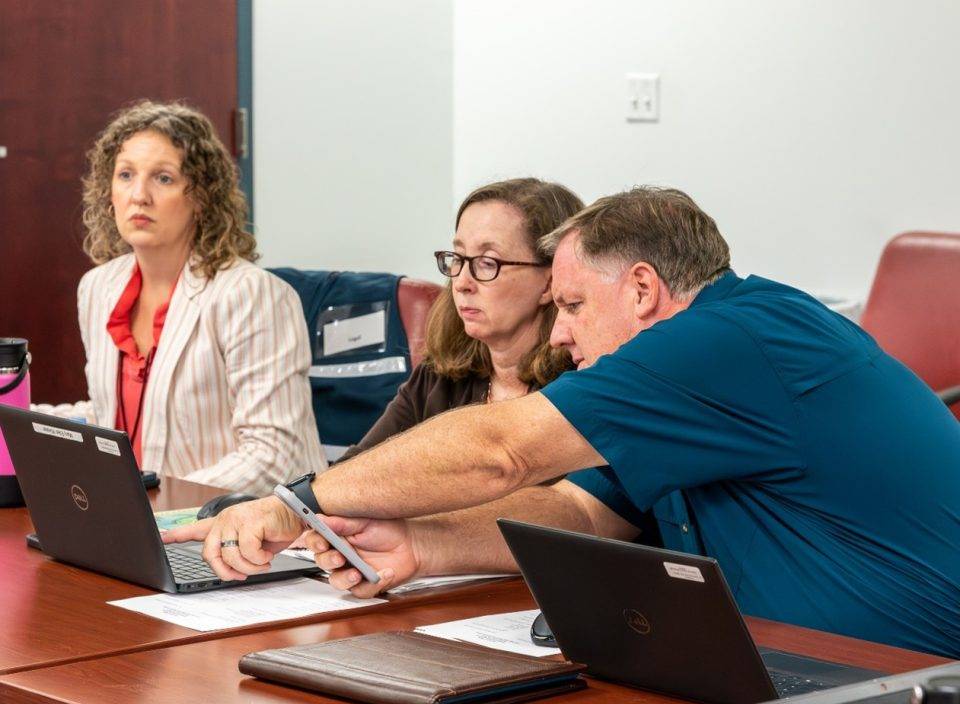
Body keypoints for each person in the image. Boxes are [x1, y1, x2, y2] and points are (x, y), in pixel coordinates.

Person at [164, 187, 960, 657]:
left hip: (897, 685)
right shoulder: (689, 382)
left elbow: (502, 451)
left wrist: (294, 500)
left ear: (643, 290)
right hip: (788, 673)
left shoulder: (732, 341)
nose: (560, 334)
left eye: (573, 305)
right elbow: (587, 510)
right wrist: (424, 545)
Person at [74, 100, 325, 495]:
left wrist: (149, 505)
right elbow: (111, 415)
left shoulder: (251, 295)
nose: (139, 195)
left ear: (201, 197)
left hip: (246, 536)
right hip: (139, 530)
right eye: (125, 175)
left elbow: (274, 457)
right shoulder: (98, 287)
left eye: (163, 178)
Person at [338, 178, 583, 461]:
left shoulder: (579, 384)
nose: (462, 282)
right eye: (458, 258)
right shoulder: (438, 378)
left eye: (488, 262)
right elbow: (356, 469)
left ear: (550, 283)